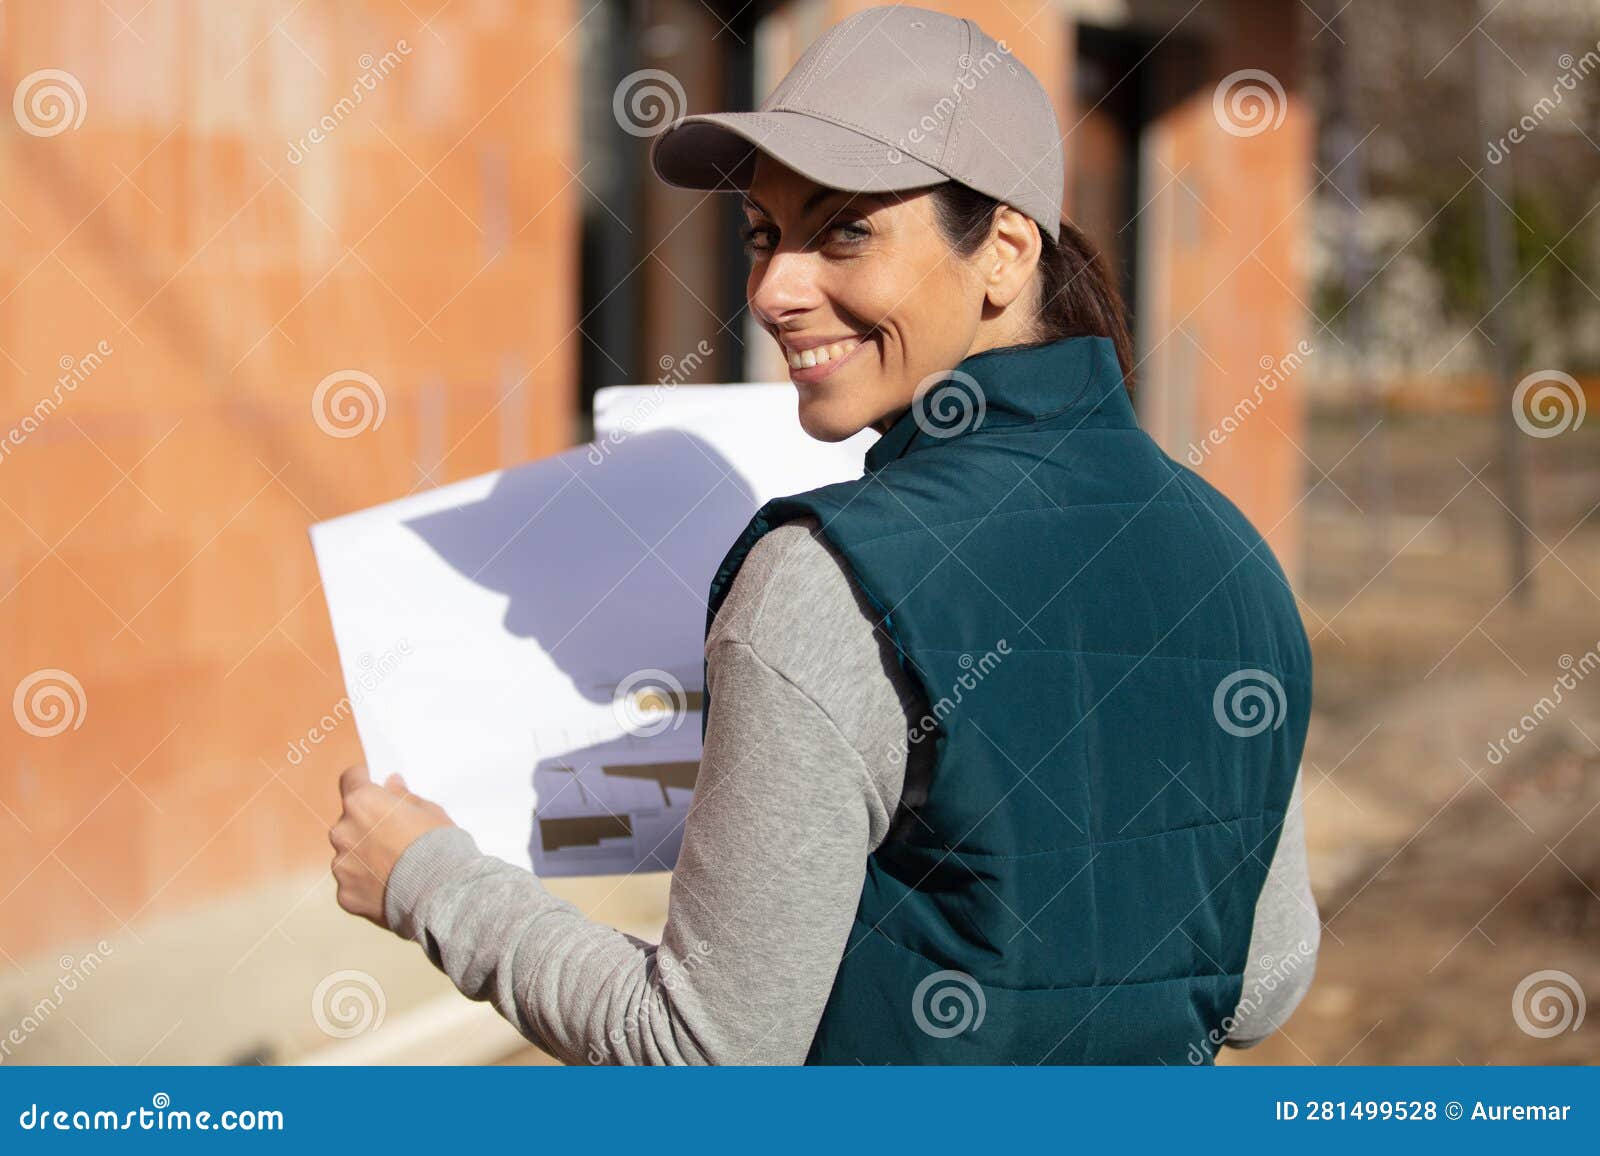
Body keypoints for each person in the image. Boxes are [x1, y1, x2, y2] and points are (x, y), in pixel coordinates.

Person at [330, 4, 1317, 1065]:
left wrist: (427, 875)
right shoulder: (1230, 551)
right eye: (762, 235)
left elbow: (700, 1049)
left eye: (845, 228)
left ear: (1004, 251)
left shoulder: (828, 576)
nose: (773, 288)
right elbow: (1260, 982)